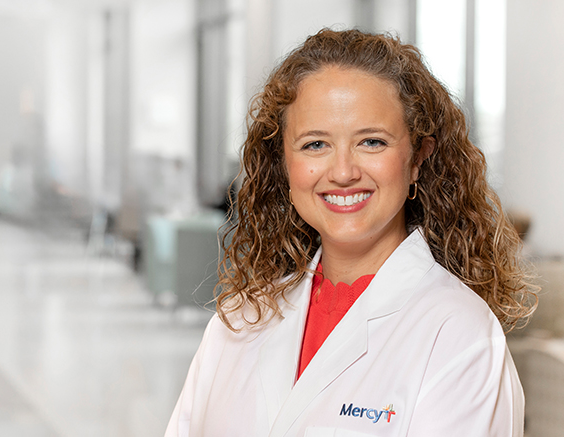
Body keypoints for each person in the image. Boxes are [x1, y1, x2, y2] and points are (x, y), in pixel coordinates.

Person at [166, 28, 536, 437]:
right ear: (283, 163)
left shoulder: (459, 334)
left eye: (372, 142)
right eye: (315, 145)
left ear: (417, 159)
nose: (343, 172)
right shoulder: (240, 319)